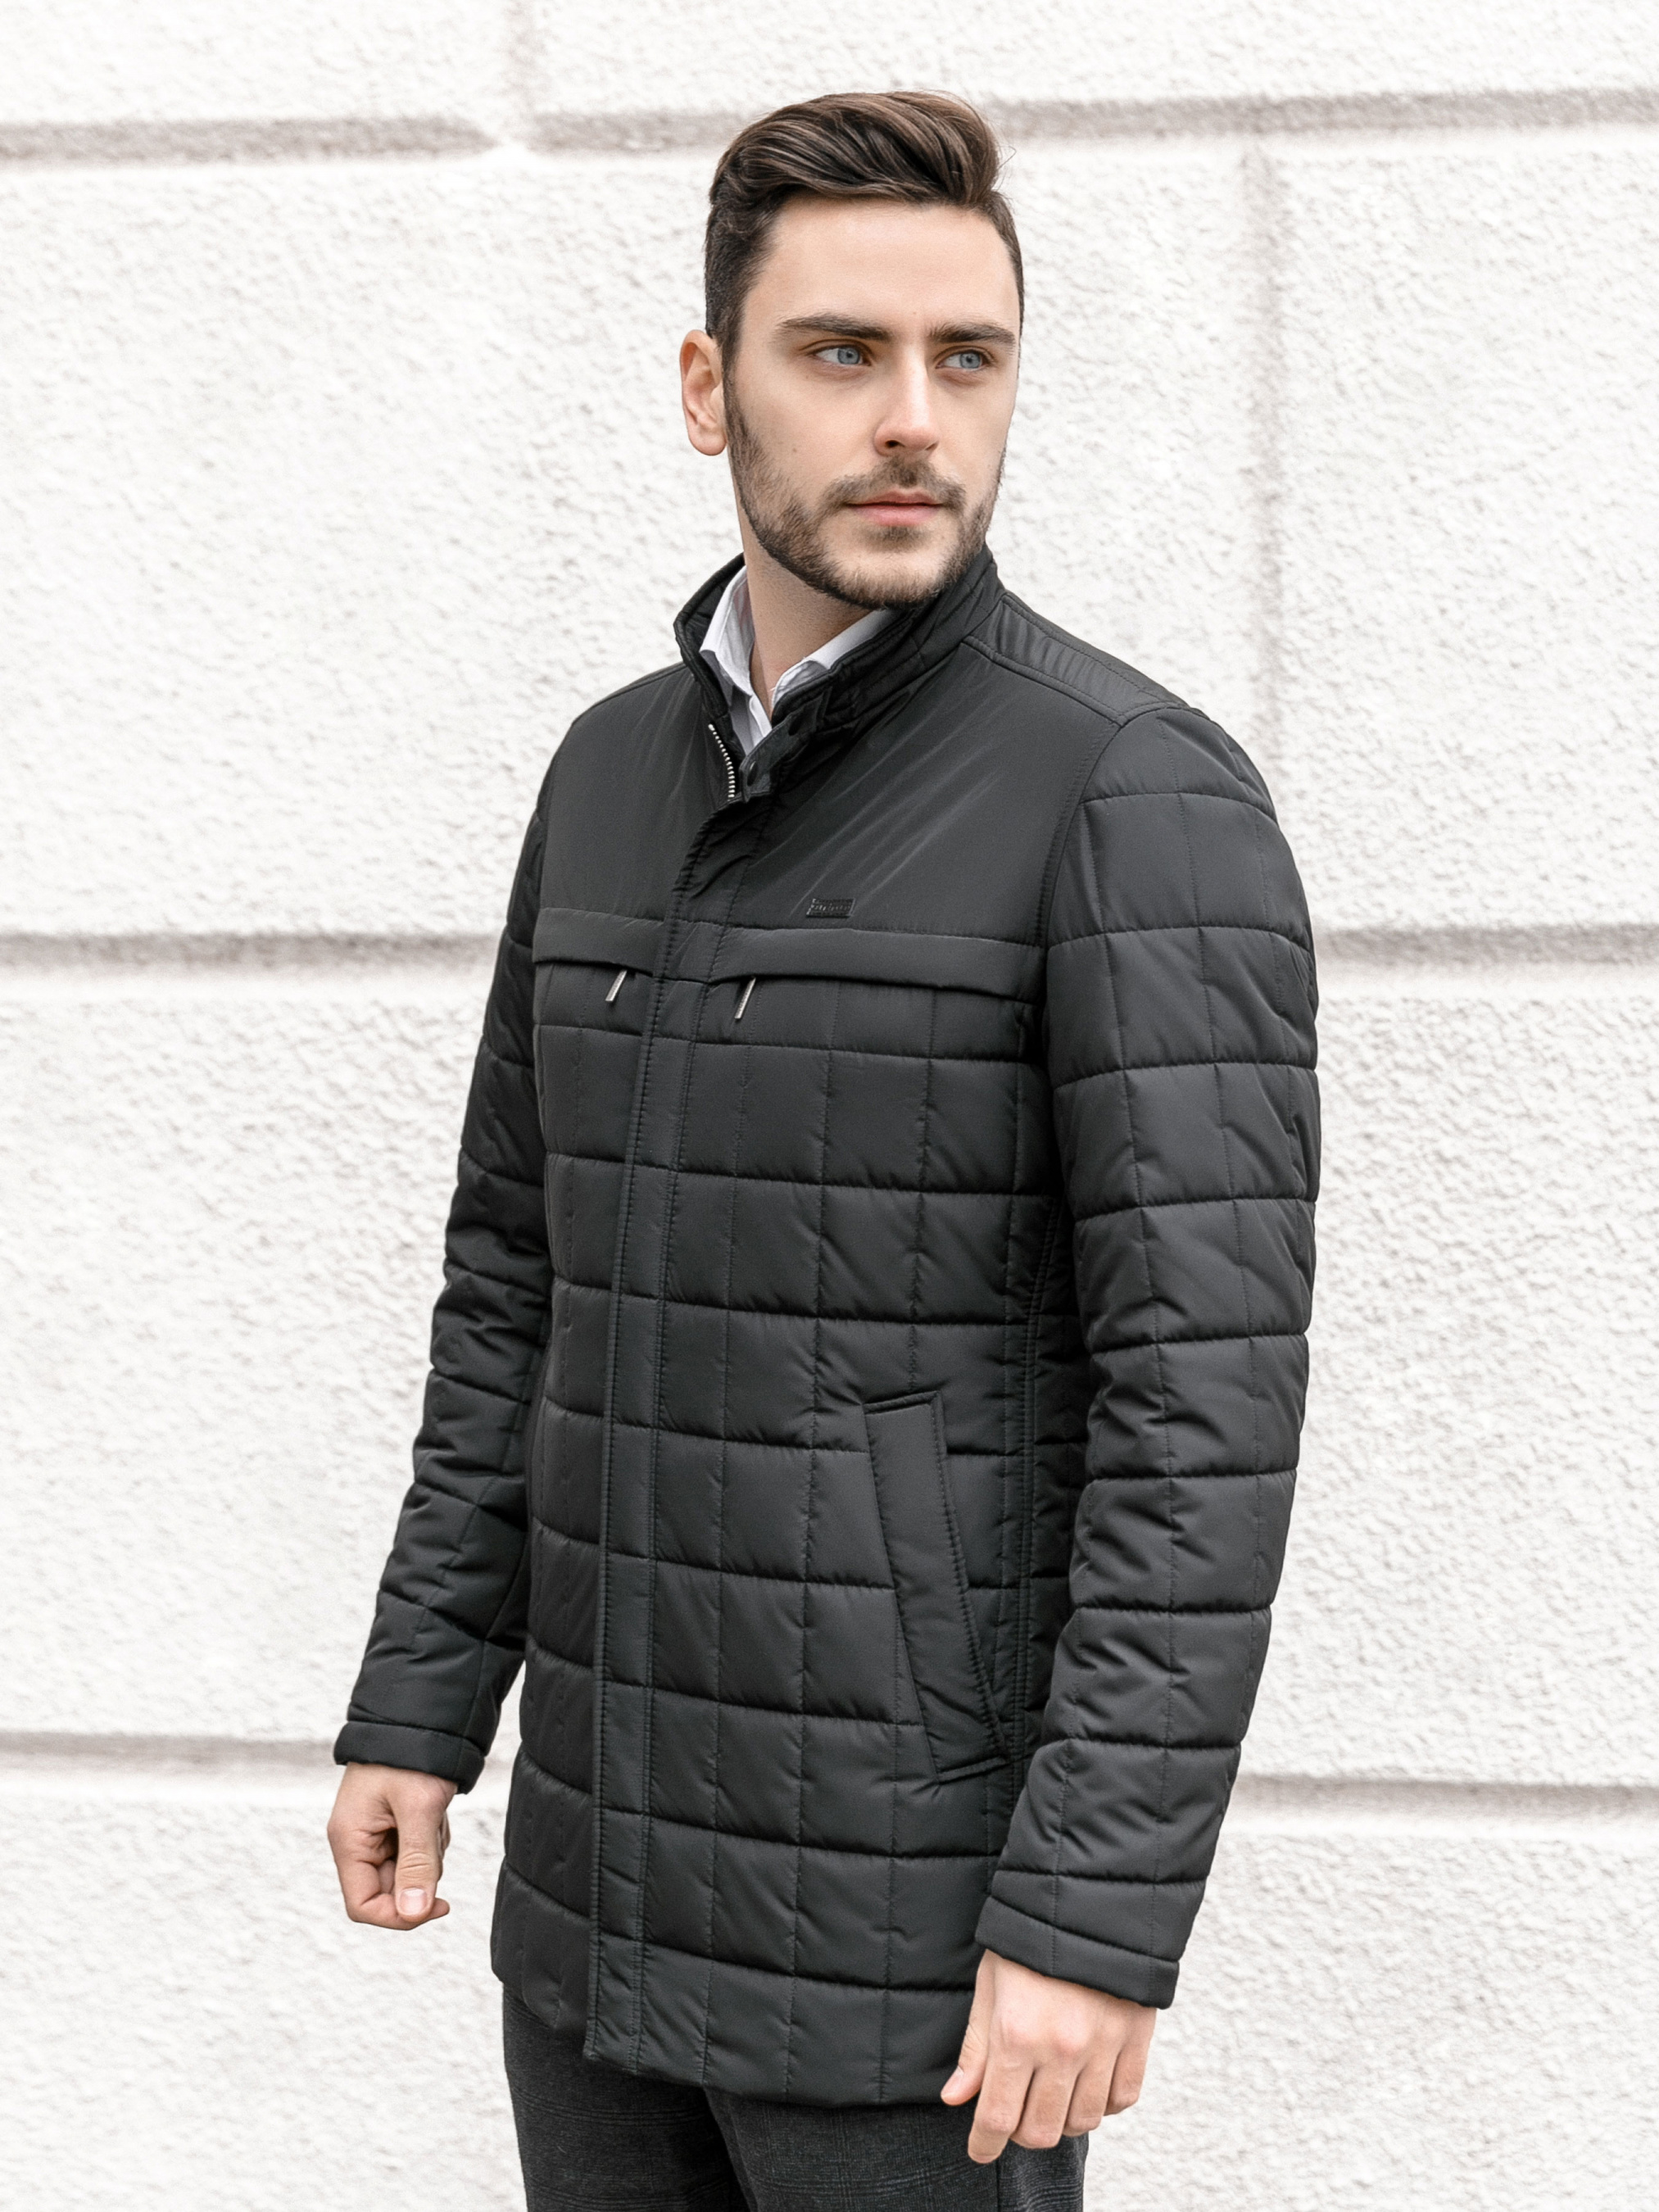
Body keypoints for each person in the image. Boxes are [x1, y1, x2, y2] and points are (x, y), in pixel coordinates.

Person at [326, 89, 1318, 2212]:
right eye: (842, 352)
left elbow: (1203, 1414)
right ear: (711, 387)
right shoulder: (607, 773)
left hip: (909, 1941)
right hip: (593, 1895)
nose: (914, 421)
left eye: (968, 358)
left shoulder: (1126, 791)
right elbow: (517, 1276)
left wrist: (1089, 1914)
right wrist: (423, 1693)